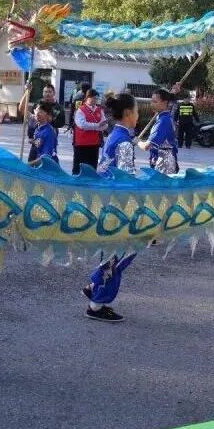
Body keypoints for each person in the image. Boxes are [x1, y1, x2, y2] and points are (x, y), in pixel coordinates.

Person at [80, 93, 143, 322]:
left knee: (116, 252)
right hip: (118, 206)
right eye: (136, 111)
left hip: (107, 202)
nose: (138, 115)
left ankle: (94, 285)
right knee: (122, 253)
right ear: (128, 114)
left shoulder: (115, 135)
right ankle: (97, 304)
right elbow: (126, 180)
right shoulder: (123, 141)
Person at [138, 87, 179, 175]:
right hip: (162, 161)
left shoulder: (163, 121)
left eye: (155, 102)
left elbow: (147, 146)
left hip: (164, 165)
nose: (152, 104)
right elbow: (172, 102)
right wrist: (173, 93)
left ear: (165, 103)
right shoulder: (164, 117)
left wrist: (137, 141)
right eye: (151, 101)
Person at [72, 89, 107, 174]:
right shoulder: (81, 110)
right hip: (81, 144)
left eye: (96, 98)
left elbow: (105, 125)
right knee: (79, 167)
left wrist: (98, 126)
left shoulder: (99, 110)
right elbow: (82, 125)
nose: (95, 100)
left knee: (92, 167)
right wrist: (97, 126)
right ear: (87, 98)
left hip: (94, 143)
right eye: (93, 98)